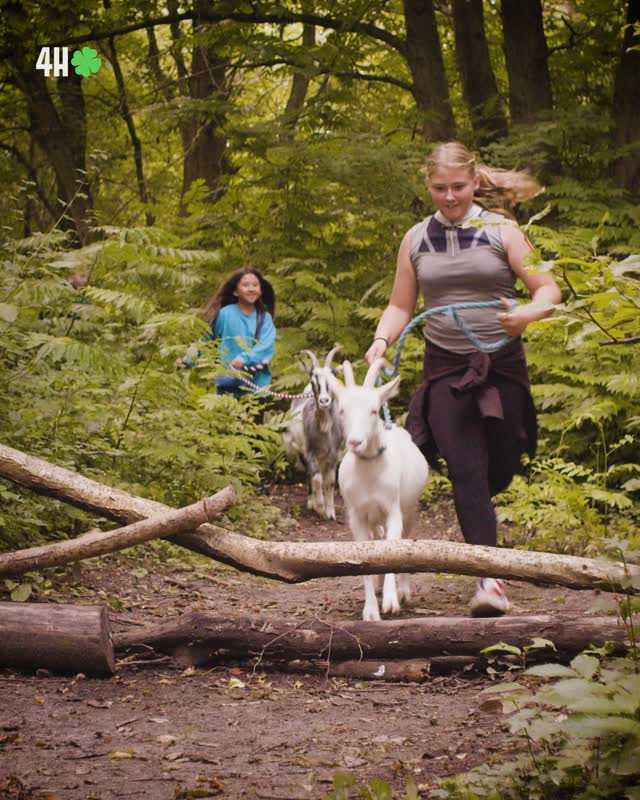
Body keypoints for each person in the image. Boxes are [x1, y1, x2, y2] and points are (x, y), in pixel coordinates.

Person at [365, 141, 561, 617]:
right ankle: (489, 583)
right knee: (466, 468)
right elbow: (400, 305)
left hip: (501, 363)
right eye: (439, 188)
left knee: (500, 465)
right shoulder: (415, 239)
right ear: (427, 187)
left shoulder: (502, 230)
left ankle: (483, 524)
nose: (449, 197)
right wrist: (382, 340)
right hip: (446, 366)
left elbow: (547, 288)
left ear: (474, 183)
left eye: (457, 186)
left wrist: (527, 314)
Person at [176, 267, 276, 404]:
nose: (251, 289)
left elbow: (265, 346)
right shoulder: (225, 314)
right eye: (245, 285)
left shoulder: (265, 318)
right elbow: (207, 341)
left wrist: (244, 359)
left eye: (255, 285)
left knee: (255, 425)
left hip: (255, 389)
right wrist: (188, 359)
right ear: (235, 291)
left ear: (261, 289)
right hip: (227, 387)